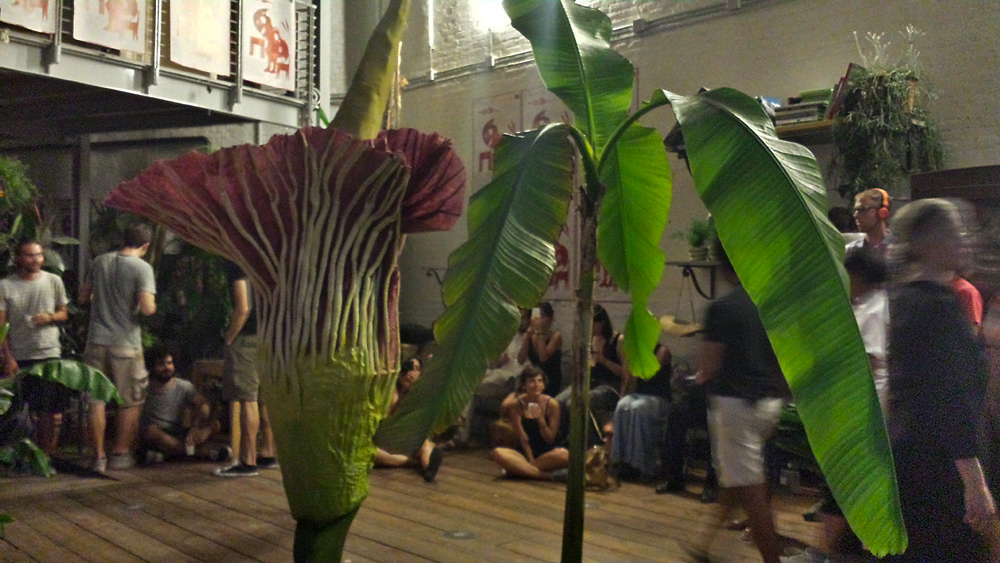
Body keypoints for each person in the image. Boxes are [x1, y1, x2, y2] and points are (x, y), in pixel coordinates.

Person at [883, 198, 997, 562]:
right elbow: (950, 399)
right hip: (940, 467)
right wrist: (975, 484)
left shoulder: (904, 298)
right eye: (955, 233)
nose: (965, 241)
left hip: (911, 454)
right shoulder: (939, 307)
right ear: (926, 244)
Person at [784, 248, 890, 563]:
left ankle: (829, 555)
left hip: (860, 416)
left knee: (841, 489)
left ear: (858, 276)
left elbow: (869, 362)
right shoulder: (866, 306)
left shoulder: (873, 309)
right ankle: (830, 552)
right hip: (857, 414)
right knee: (841, 489)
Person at [687, 239, 789, 563]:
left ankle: (772, 558)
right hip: (770, 406)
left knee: (750, 491)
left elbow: (709, 366)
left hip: (735, 406)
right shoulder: (770, 305)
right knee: (735, 478)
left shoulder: (721, 309)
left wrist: (698, 376)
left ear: (722, 267)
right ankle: (702, 544)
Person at [80, 223, 157, 473]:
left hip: (96, 341)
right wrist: (151, 305)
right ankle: (120, 454)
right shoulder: (142, 268)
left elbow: (83, 297)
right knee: (130, 400)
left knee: (96, 401)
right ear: (145, 246)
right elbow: (146, 308)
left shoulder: (100, 261)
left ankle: (98, 457)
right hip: (125, 343)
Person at [0, 240, 69, 455]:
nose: (35, 259)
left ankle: (46, 454)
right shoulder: (5, 285)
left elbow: (64, 313)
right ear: (18, 258)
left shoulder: (54, 280)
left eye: (39, 255)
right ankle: (19, 454)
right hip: (20, 353)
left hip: (48, 351)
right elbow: (1, 326)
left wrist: (49, 317)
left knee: (47, 408)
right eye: (29, 255)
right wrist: (7, 357)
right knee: (17, 407)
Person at [213, 261, 277, 477]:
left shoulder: (236, 264)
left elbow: (243, 307)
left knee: (246, 397)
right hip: (267, 335)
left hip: (246, 338)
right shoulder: (262, 262)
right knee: (262, 397)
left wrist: (230, 337)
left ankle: (248, 461)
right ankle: (268, 453)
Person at [139, 345, 225, 462]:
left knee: (215, 425)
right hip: (156, 433)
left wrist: (196, 426)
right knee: (151, 432)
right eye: (161, 364)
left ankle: (175, 453)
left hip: (177, 432)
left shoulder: (183, 386)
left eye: (169, 363)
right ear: (152, 366)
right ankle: (200, 454)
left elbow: (204, 404)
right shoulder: (144, 387)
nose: (167, 368)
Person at [490, 366, 568, 480]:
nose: (536, 385)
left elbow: (550, 439)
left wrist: (540, 418)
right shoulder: (516, 405)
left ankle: (520, 470)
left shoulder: (552, 404)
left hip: (548, 453)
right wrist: (530, 460)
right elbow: (523, 438)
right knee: (497, 453)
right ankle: (545, 476)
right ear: (524, 385)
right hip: (526, 453)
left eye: (540, 381)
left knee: (563, 454)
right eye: (532, 381)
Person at [608, 343, 672, 480]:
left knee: (638, 408)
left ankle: (638, 464)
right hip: (638, 395)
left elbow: (648, 374)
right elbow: (628, 376)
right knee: (622, 406)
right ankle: (620, 460)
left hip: (659, 397)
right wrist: (622, 394)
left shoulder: (662, 351)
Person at [374, 358, 444, 482]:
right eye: (409, 368)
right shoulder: (390, 390)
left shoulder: (419, 394)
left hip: (405, 438)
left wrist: (412, 390)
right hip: (385, 438)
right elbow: (387, 418)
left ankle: (429, 469)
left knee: (425, 445)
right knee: (373, 453)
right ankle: (410, 462)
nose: (412, 372)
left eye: (417, 369)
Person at [517, 301, 562, 395]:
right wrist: (527, 336)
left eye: (543, 316)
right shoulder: (530, 335)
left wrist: (539, 333)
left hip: (550, 379)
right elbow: (520, 360)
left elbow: (543, 357)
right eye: (537, 316)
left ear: (550, 319)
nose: (539, 319)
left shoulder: (556, 336)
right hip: (533, 378)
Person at [847, 188, 892, 257]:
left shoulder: (899, 249)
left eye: (862, 210)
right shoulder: (850, 251)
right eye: (855, 210)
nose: (855, 215)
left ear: (882, 212)